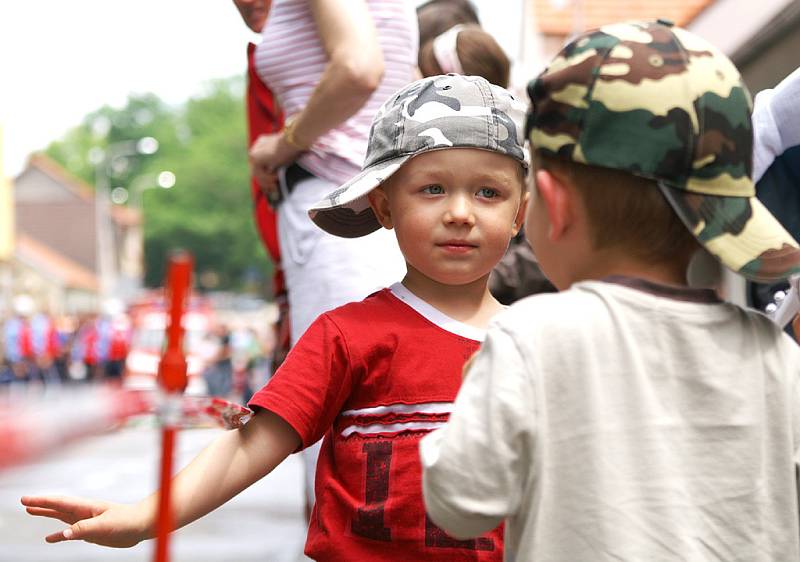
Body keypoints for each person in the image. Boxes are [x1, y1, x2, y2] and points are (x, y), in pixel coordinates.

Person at [21, 73, 528, 561]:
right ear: (383, 206)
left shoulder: (538, 345)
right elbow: (252, 443)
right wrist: (144, 519)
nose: (461, 212)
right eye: (432, 189)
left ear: (519, 213)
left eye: (489, 192)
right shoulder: (345, 337)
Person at [420, 21, 800, 561]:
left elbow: (460, 503)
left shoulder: (529, 338)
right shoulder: (777, 356)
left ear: (553, 202)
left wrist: (472, 394)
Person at [239, 0, 417, 512]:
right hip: (357, 197)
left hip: (335, 202)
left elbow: (359, 68)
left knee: (339, 409)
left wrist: (280, 145)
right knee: (372, 405)